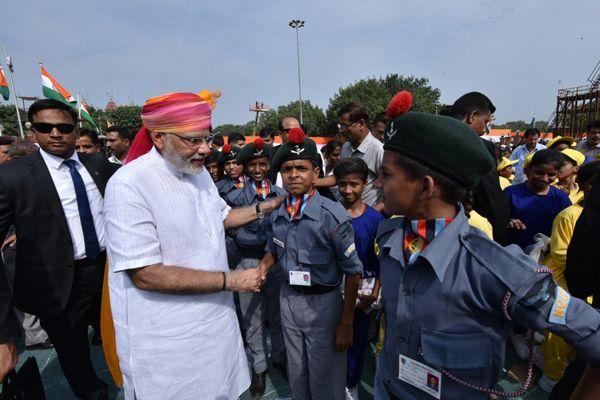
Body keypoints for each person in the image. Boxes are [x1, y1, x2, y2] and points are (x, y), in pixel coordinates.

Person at [372, 94, 600, 400]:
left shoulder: (492, 269)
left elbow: (594, 334)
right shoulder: (390, 238)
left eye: (386, 175)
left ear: (425, 187)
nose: (376, 185)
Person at [104, 90, 285, 400]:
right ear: (159, 137)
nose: (205, 148)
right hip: (170, 344)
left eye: (206, 137)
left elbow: (222, 217)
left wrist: (267, 206)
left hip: (215, 328)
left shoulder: (197, 173)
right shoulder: (128, 185)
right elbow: (146, 274)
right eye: (193, 140)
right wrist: (231, 280)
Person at [0, 98, 119, 399]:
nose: (55, 133)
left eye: (63, 127)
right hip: (58, 286)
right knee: (74, 354)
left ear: (75, 129)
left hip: (109, 272)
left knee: (123, 338)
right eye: (45, 127)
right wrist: (3, 333)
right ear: (34, 131)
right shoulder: (13, 177)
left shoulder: (99, 166)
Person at [256, 127, 363, 400]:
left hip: (324, 306)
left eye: (301, 168)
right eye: (288, 169)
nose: (294, 175)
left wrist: (346, 322)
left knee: (325, 379)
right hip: (289, 299)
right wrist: (264, 266)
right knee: (298, 375)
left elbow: (353, 272)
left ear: (316, 173)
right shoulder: (278, 211)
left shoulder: (332, 216)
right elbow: (274, 249)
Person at [225, 138, 287, 397]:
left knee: (279, 315)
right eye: (253, 165)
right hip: (247, 261)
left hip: (278, 262)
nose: (259, 169)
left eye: (263, 164)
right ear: (245, 167)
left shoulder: (281, 195)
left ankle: (280, 359)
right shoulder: (234, 197)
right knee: (252, 320)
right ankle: (258, 368)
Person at [539, 161, 600, 392]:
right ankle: (551, 374)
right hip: (563, 277)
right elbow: (562, 252)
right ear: (582, 184)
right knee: (558, 330)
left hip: (586, 281)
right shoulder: (569, 215)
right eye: (593, 183)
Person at [333, 157, 384, 400]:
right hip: (333, 288)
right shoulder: (330, 215)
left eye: (353, 184)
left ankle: (351, 384)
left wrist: (375, 291)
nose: (347, 190)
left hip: (364, 290)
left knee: (356, 338)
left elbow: (382, 260)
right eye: (342, 184)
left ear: (365, 184)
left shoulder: (375, 220)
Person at [450, 91, 511, 245]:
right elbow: (491, 198)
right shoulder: (479, 147)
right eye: (485, 121)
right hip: (473, 231)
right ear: (472, 116)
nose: (484, 129)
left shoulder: (429, 140)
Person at [317, 103, 384, 211]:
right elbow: (337, 176)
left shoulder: (378, 150)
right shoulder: (346, 147)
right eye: (340, 126)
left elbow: (391, 191)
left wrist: (371, 216)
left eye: (344, 126)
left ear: (361, 124)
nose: (341, 130)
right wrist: (312, 181)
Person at [505, 149, 572, 251]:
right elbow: (497, 219)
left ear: (558, 174)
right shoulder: (510, 193)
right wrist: (508, 220)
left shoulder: (561, 199)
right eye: (539, 173)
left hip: (545, 257)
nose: (544, 178)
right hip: (513, 252)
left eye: (551, 175)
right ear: (528, 170)